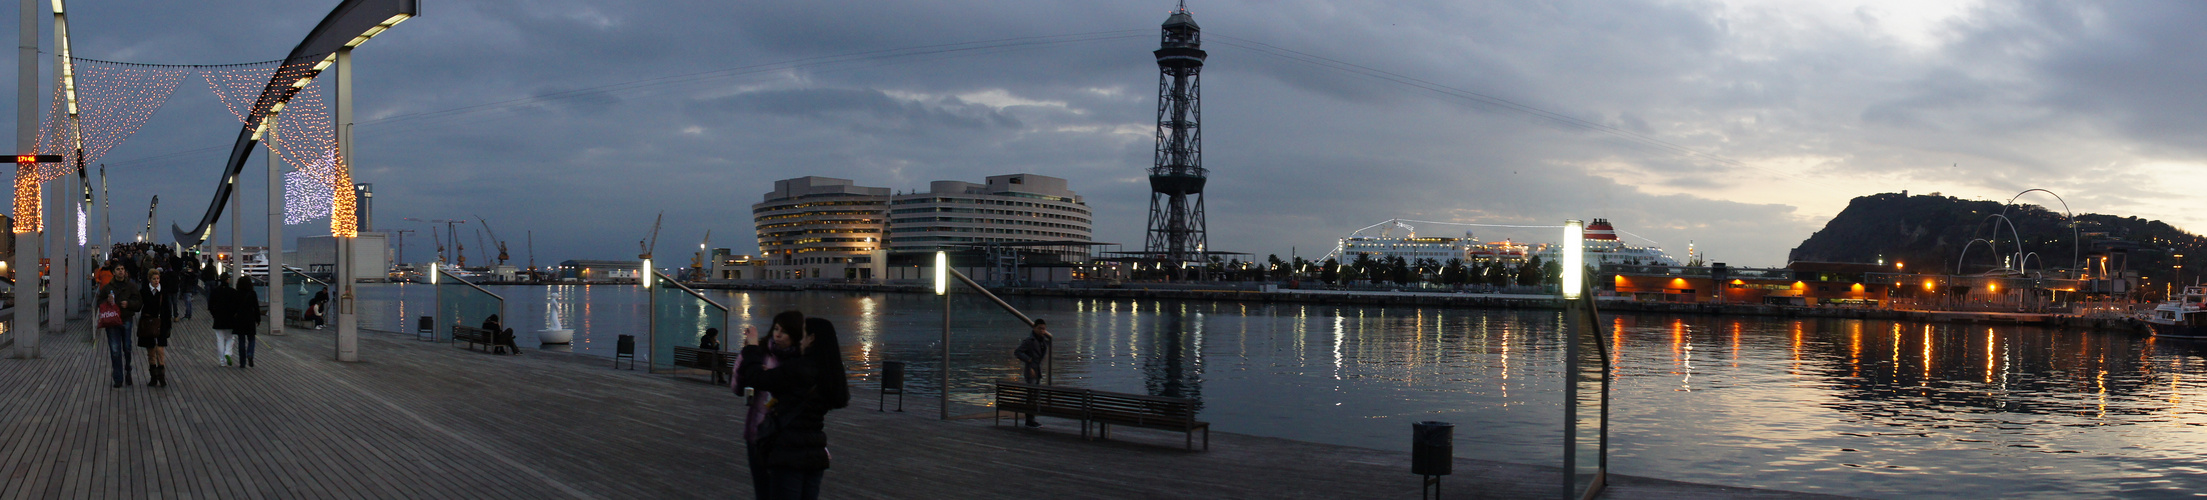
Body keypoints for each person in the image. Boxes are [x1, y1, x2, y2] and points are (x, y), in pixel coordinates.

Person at [739, 316, 850, 500]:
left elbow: (756, 378)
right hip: (815, 452)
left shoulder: (799, 369)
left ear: (812, 338)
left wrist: (751, 348)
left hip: (789, 452)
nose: (801, 339)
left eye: (805, 334)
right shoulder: (829, 373)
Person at [733, 311, 803, 500]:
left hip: (787, 436)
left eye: (784, 332)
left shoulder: (800, 361)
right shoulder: (760, 353)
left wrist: (769, 377)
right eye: (776, 329)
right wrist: (746, 359)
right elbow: (737, 387)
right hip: (758, 433)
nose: (777, 335)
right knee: (763, 490)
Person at [98, 266, 143, 388]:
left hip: (126, 319)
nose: (121, 271)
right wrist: (107, 301)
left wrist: (129, 304)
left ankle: (128, 369)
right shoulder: (107, 287)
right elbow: (99, 301)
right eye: (118, 269)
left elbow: (139, 303)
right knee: (115, 350)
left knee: (127, 347)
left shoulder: (131, 286)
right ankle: (118, 378)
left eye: (122, 269)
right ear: (114, 272)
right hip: (112, 322)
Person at [1013, 318, 1054, 427]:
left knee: (1034, 395)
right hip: (1031, 370)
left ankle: (1031, 418)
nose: (1042, 331)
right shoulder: (1029, 341)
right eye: (1040, 328)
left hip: (1037, 370)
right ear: (1034, 328)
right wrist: (1029, 360)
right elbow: (1017, 352)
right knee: (1031, 395)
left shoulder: (1043, 341)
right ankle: (1030, 419)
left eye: (1044, 329)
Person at [140, 270, 177, 387]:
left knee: (160, 350)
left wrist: (168, 326)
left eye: (158, 279)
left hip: (161, 324)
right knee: (151, 351)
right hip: (148, 324)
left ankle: (161, 376)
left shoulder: (163, 293)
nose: (156, 281)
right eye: (154, 279)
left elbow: (167, 310)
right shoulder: (144, 292)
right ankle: (153, 377)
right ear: (150, 279)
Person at [231, 276, 261, 368]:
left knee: (241, 340)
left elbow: (233, 308)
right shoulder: (252, 293)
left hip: (240, 319)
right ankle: (250, 353)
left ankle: (242, 362)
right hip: (250, 319)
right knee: (251, 338)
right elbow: (256, 307)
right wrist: (258, 319)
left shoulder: (236, 293)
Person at [210, 276, 238, 366]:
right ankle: (228, 353)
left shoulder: (215, 291)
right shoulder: (233, 292)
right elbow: (237, 306)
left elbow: (210, 305)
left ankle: (222, 361)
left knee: (220, 339)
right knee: (230, 337)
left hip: (218, 318)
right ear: (227, 280)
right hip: (230, 319)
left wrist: (214, 314)